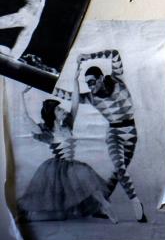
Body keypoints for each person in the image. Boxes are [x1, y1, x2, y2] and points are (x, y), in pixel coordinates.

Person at [52, 49, 148, 222]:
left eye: (92, 82)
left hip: (131, 133)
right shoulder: (91, 97)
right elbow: (66, 95)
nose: (90, 86)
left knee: (118, 174)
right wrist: (41, 82)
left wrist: (89, 57)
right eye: (87, 84)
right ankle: (135, 202)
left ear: (101, 78)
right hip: (113, 133)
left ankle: (100, 206)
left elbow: (116, 54)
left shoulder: (117, 79)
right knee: (119, 167)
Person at [18, 81, 118, 223]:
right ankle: (29, 216)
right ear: (52, 114)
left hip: (72, 167)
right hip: (56, 171)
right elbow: (25, 118)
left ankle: (104, 204)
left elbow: (75, 103)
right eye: (59, 110)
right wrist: (22, 95)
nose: (63, 111)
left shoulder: (68, 125)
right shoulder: (48, 132)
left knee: (85, 174)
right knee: (61, 215)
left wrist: (76, 80)